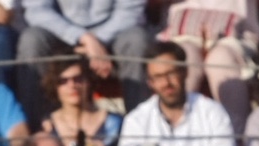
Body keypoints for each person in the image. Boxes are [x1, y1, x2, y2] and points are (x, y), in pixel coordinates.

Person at [115, 42, 239, 146]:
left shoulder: (212, 113)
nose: (166, 83)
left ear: (185, 72)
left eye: (171, 73)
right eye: (158, 77)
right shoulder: (137, 120)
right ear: (150, 83)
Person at [15, 0, 155, 125]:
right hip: (60, 33)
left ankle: (139, 128)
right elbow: (37, 11)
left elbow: (131, 11)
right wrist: (83, 38)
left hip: (113, 34)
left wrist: (97, 41)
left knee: (137, 41)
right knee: (31, 40)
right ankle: (37, 131)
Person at [157, 0, 259, 134]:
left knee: (220, 59)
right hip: (181, 35)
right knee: (186, 57)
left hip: (233, 37)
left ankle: (237, 135)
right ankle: (174, 130)